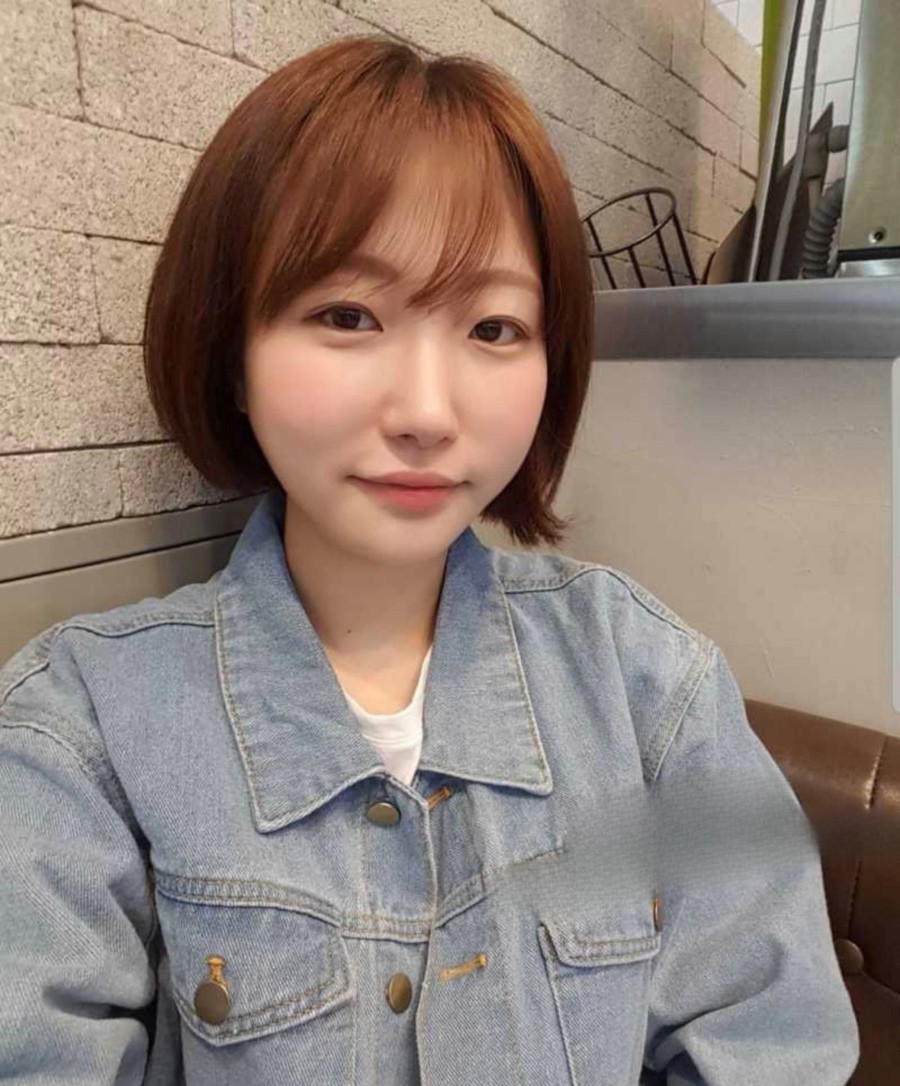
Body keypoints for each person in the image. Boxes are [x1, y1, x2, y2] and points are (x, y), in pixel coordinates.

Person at [0, 34, 859, 1086]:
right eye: (347, 315)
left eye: (493, 328)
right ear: (230, 350)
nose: (425, 412)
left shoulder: (649, 686)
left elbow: (774, 1046)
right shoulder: (81, 730)